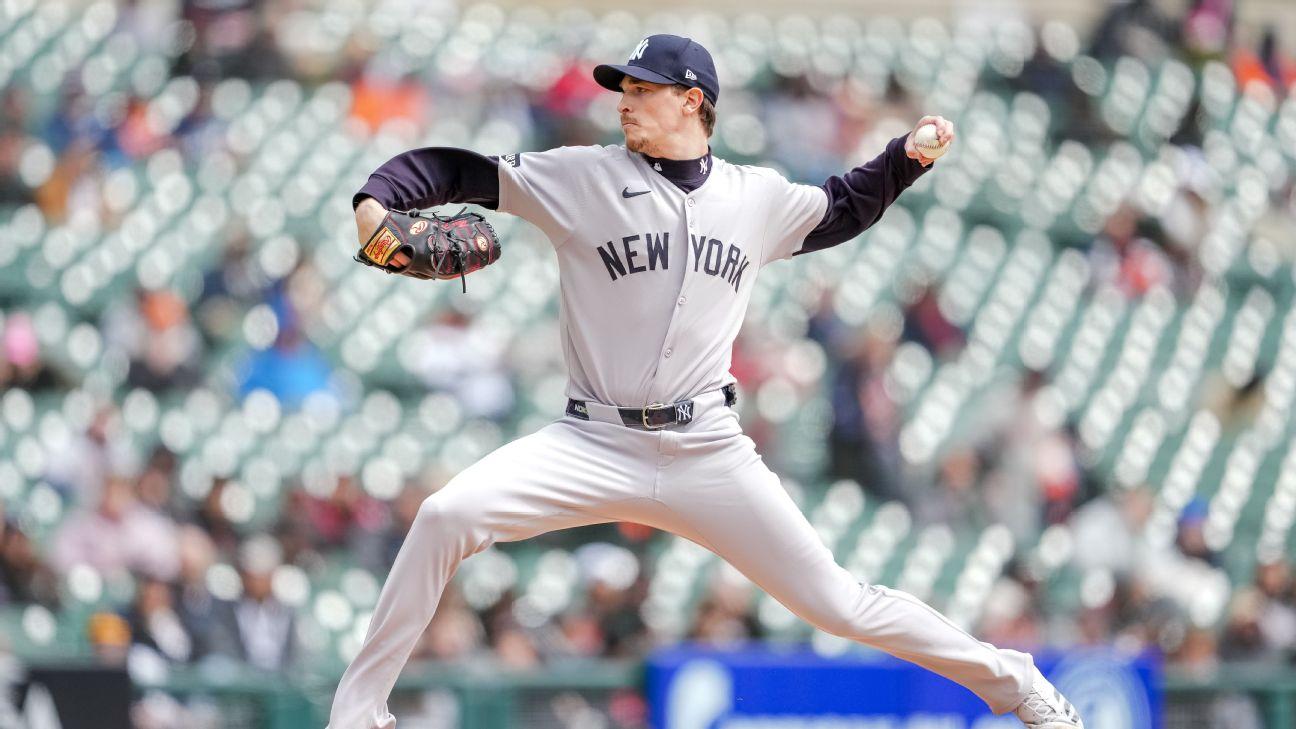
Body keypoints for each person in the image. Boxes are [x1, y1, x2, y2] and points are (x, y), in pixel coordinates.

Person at [329, 34, 1083, 729]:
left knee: (839, 602)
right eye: (621, 88)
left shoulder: (753, 197)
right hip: (591, 438)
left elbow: (842, 206)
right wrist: (376, 199)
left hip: (706, 449)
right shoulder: (582, 176)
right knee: (442, 514)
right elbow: (459, 171)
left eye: (643, 88)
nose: (623, 99)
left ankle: (1014, 683)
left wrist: (905, 157)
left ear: (693, 101)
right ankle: (357, 714)